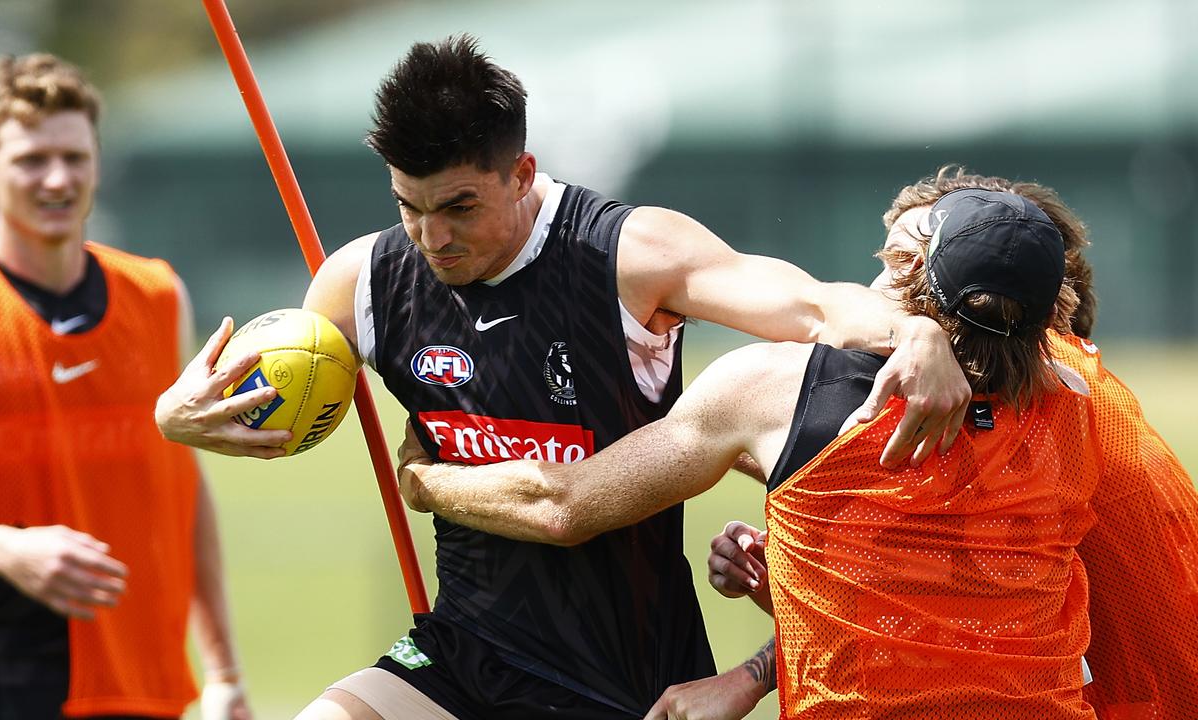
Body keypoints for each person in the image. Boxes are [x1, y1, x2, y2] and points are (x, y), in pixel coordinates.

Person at [154, 36, 973, 720]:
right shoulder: (360, 281)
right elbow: (266, 396)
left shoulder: (628, 255)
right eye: (410, 205)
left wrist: (916, 330)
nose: (432, 237)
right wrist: (180, 417)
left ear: (520, 173)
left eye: (460, 206)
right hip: (461, 652)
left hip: (622, 681)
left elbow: (809, 304)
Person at [401, 169, 1198, 718]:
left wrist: (425, 483)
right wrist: (766, 649)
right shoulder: (1085, 411)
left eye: (896, 264)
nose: (869, 283)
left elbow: (564, 503)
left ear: (919, 290)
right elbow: (946, 620)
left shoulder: (779, 391)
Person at [0, 54, 251, 720]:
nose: (57, 179)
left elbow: (185, 487)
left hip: (141, 674)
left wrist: (223, 670)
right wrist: (10, 551)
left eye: (74, 157)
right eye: (31, 159)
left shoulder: (158, 296)